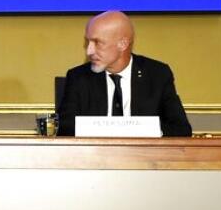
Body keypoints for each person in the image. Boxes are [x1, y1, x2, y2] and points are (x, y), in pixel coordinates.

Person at [58, 11, 192, 137]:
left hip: (145, 159)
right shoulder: (78, 77)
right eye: (88, 42)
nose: (89, 51)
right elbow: (65, 129)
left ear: (122, 44)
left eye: (97, 43)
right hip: (94, 159)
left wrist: (140, 130)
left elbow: (181, 129)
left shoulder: (157, 75)